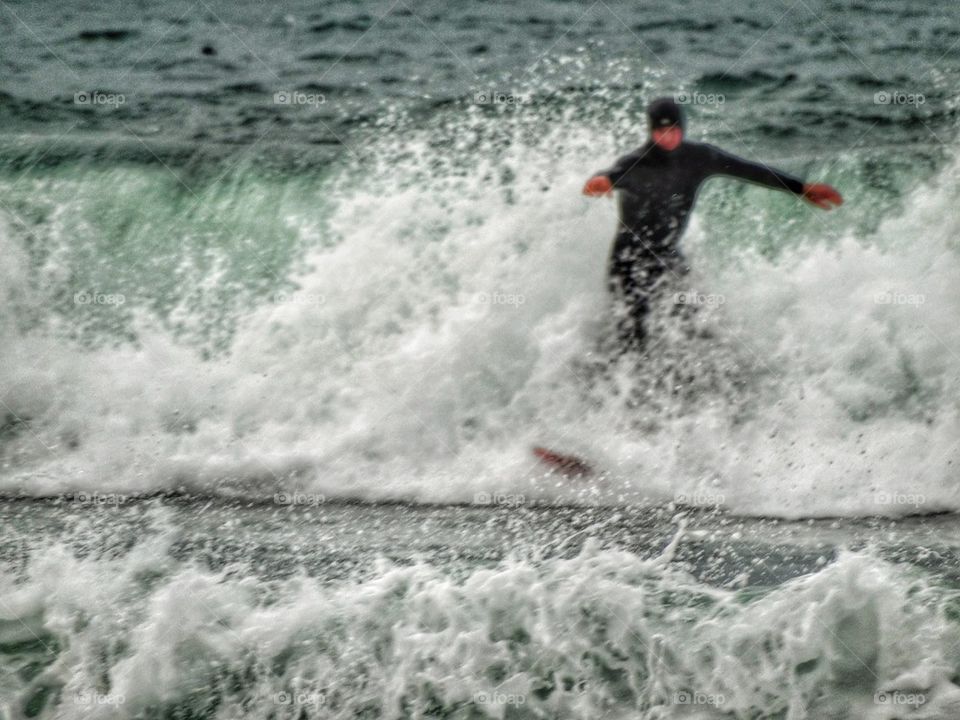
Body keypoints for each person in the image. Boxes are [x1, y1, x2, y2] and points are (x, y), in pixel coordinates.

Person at [583, 97, 842, 352]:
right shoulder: (636, 164)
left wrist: (801, 188)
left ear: (682, 128)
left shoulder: (700, 157)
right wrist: (601, 180)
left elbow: (750, 170)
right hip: (628, 263)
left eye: (673, 130)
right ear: (651, 132)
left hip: (667, 255)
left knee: (698, 322)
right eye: (660, 131)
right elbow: (612, 174)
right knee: (632, 340)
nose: (668, 137)